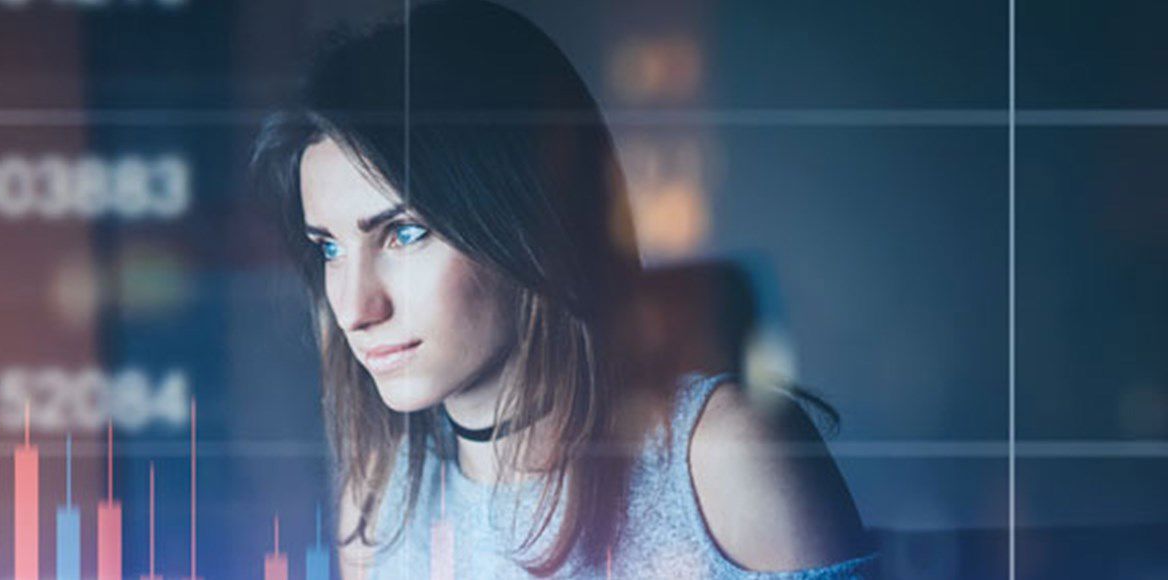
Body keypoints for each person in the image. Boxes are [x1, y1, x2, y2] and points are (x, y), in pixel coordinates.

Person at [251, 1, 878, 577]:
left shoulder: (722, 457)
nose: (357, 309)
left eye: (405, 233)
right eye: (328, 247)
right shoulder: (381, 496)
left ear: (524, 220)